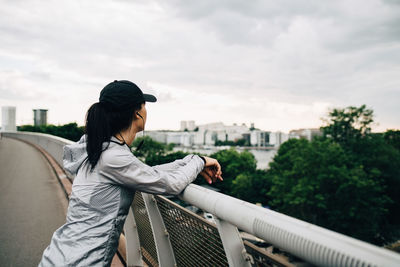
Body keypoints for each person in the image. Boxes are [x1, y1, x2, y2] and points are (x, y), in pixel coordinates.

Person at [39, 80, 223, 266]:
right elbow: (170, 185)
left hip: (62, 255)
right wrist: (199, 162)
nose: (146, 111)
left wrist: (191, 161)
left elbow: (149, 173)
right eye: (144, 106)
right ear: (137, 113)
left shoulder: (100, 148)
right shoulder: (113, 157)